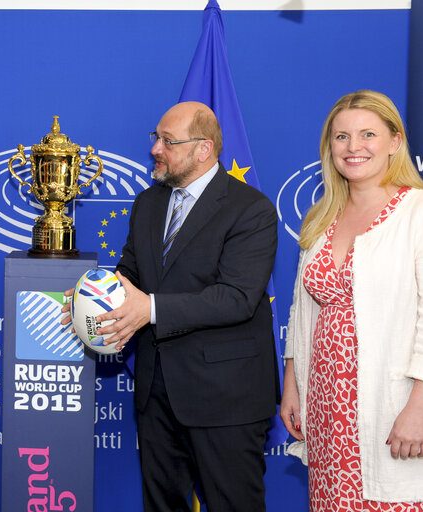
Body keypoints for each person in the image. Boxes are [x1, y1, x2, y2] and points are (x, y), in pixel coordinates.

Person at [65, 101, 280, 512]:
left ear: (203, 149)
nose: (155, 150)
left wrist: (152, 310)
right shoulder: (148, 203)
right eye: (156, 138)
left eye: (167, 141)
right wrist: (87, 302)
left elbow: (237, 297)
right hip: (157, 392)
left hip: (225, 397)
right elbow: (129, 272)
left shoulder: (251, 210)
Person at [280, 90, 423, 510]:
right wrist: (293, 383)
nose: (353, 147)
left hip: (391, 401)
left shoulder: (416, 213)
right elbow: (300, 307)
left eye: (367, 134)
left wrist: (419, 407)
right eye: (341, 137)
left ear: (395, 141)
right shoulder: (321, 217)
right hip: (325, 402)